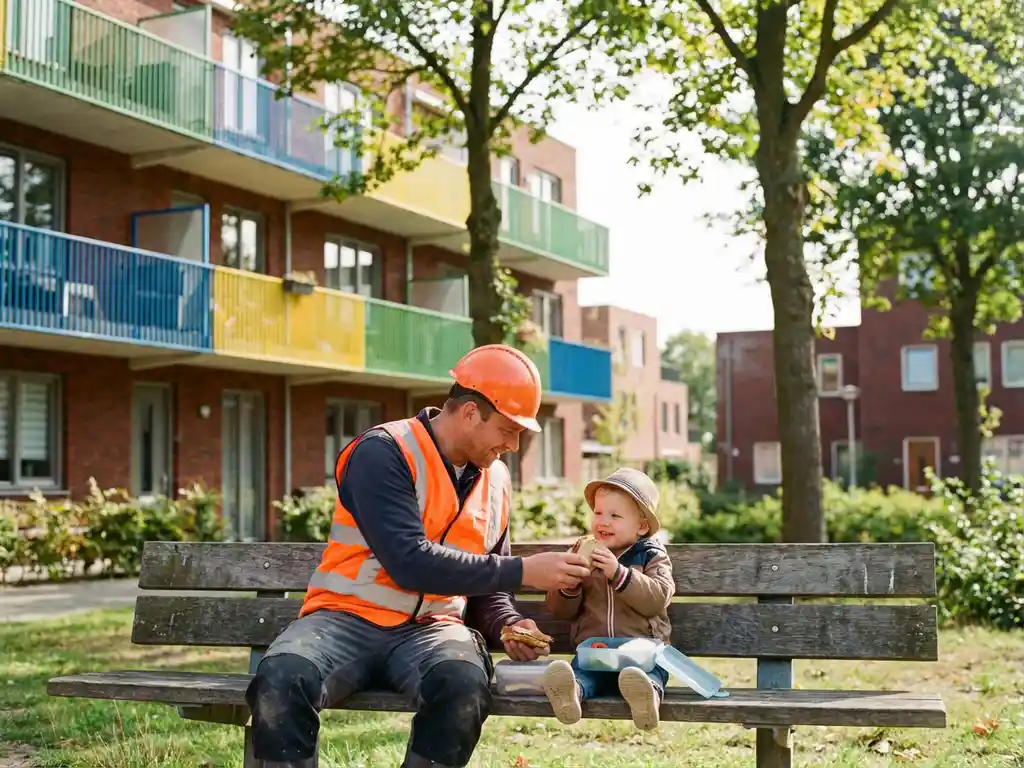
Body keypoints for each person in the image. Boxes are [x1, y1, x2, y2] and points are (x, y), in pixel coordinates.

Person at [245, 344, 592, 768]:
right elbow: (408, 560)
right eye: (508, 429)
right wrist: (524, 571)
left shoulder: (496, 479)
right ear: (469, 413)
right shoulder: (382, 452)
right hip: (343, 618)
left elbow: (486, 587)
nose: (514, 445)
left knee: (463, 684)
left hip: (431, 631)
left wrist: (507, 624)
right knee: (281, 678)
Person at [541, 467, 675, 731]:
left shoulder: (651, 555)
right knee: (582, 674)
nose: (603, 522)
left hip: (643, 654)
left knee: (651, 675)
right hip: (596, 655)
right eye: (599, 513)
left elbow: (658, 598)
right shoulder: (582, 552)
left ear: (642, 526)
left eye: (615, 515)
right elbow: (559, 610)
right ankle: (572, 694)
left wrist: (618, 574)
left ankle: (646, 698)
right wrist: (569, 585)